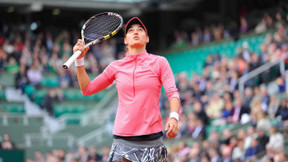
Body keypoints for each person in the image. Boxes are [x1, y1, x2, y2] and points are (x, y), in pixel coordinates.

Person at [73, 17, 181, 162]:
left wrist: (174, 116)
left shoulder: (160, 62)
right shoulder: (115, 66)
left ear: (147, 39)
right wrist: (79, 61)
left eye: (140, 30)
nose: (135, 32)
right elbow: (87, 89)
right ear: (125, 40)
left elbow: (172, 92)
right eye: (130, 31)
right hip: (122, 141)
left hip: (152, 140)